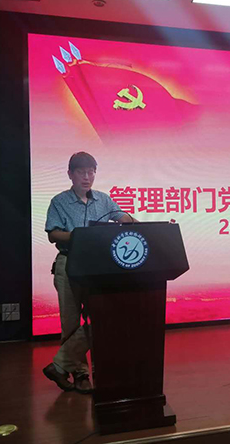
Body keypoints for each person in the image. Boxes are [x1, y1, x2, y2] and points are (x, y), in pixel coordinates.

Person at [43, 151, 136, 393]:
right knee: (70, 323)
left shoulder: (103, 200)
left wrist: (141, 225)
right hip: (68, 263)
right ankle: (81, 375)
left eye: (91, 172)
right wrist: (78, 236)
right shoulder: (59, 201)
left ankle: (59, 366)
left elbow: (122, 217)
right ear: (70, 174)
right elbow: (53, 234)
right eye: (81, 172)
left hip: (97, 266)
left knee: (101, 318)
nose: (87, 177)